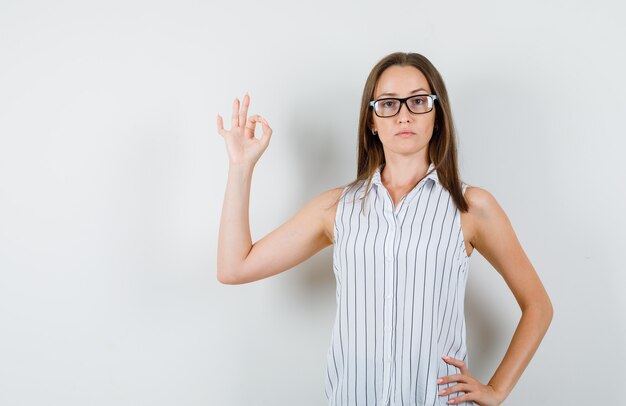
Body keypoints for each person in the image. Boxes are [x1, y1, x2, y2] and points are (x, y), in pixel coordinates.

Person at [216, 52, 553, 406]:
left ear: (437, 116)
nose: (404, 114)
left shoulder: (472, 207)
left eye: (419, 101)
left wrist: (497, 390)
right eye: (389, 103)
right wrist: (240, 167)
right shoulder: (336, 208)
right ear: (372, 121)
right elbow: (234, 267)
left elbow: (538, 306)